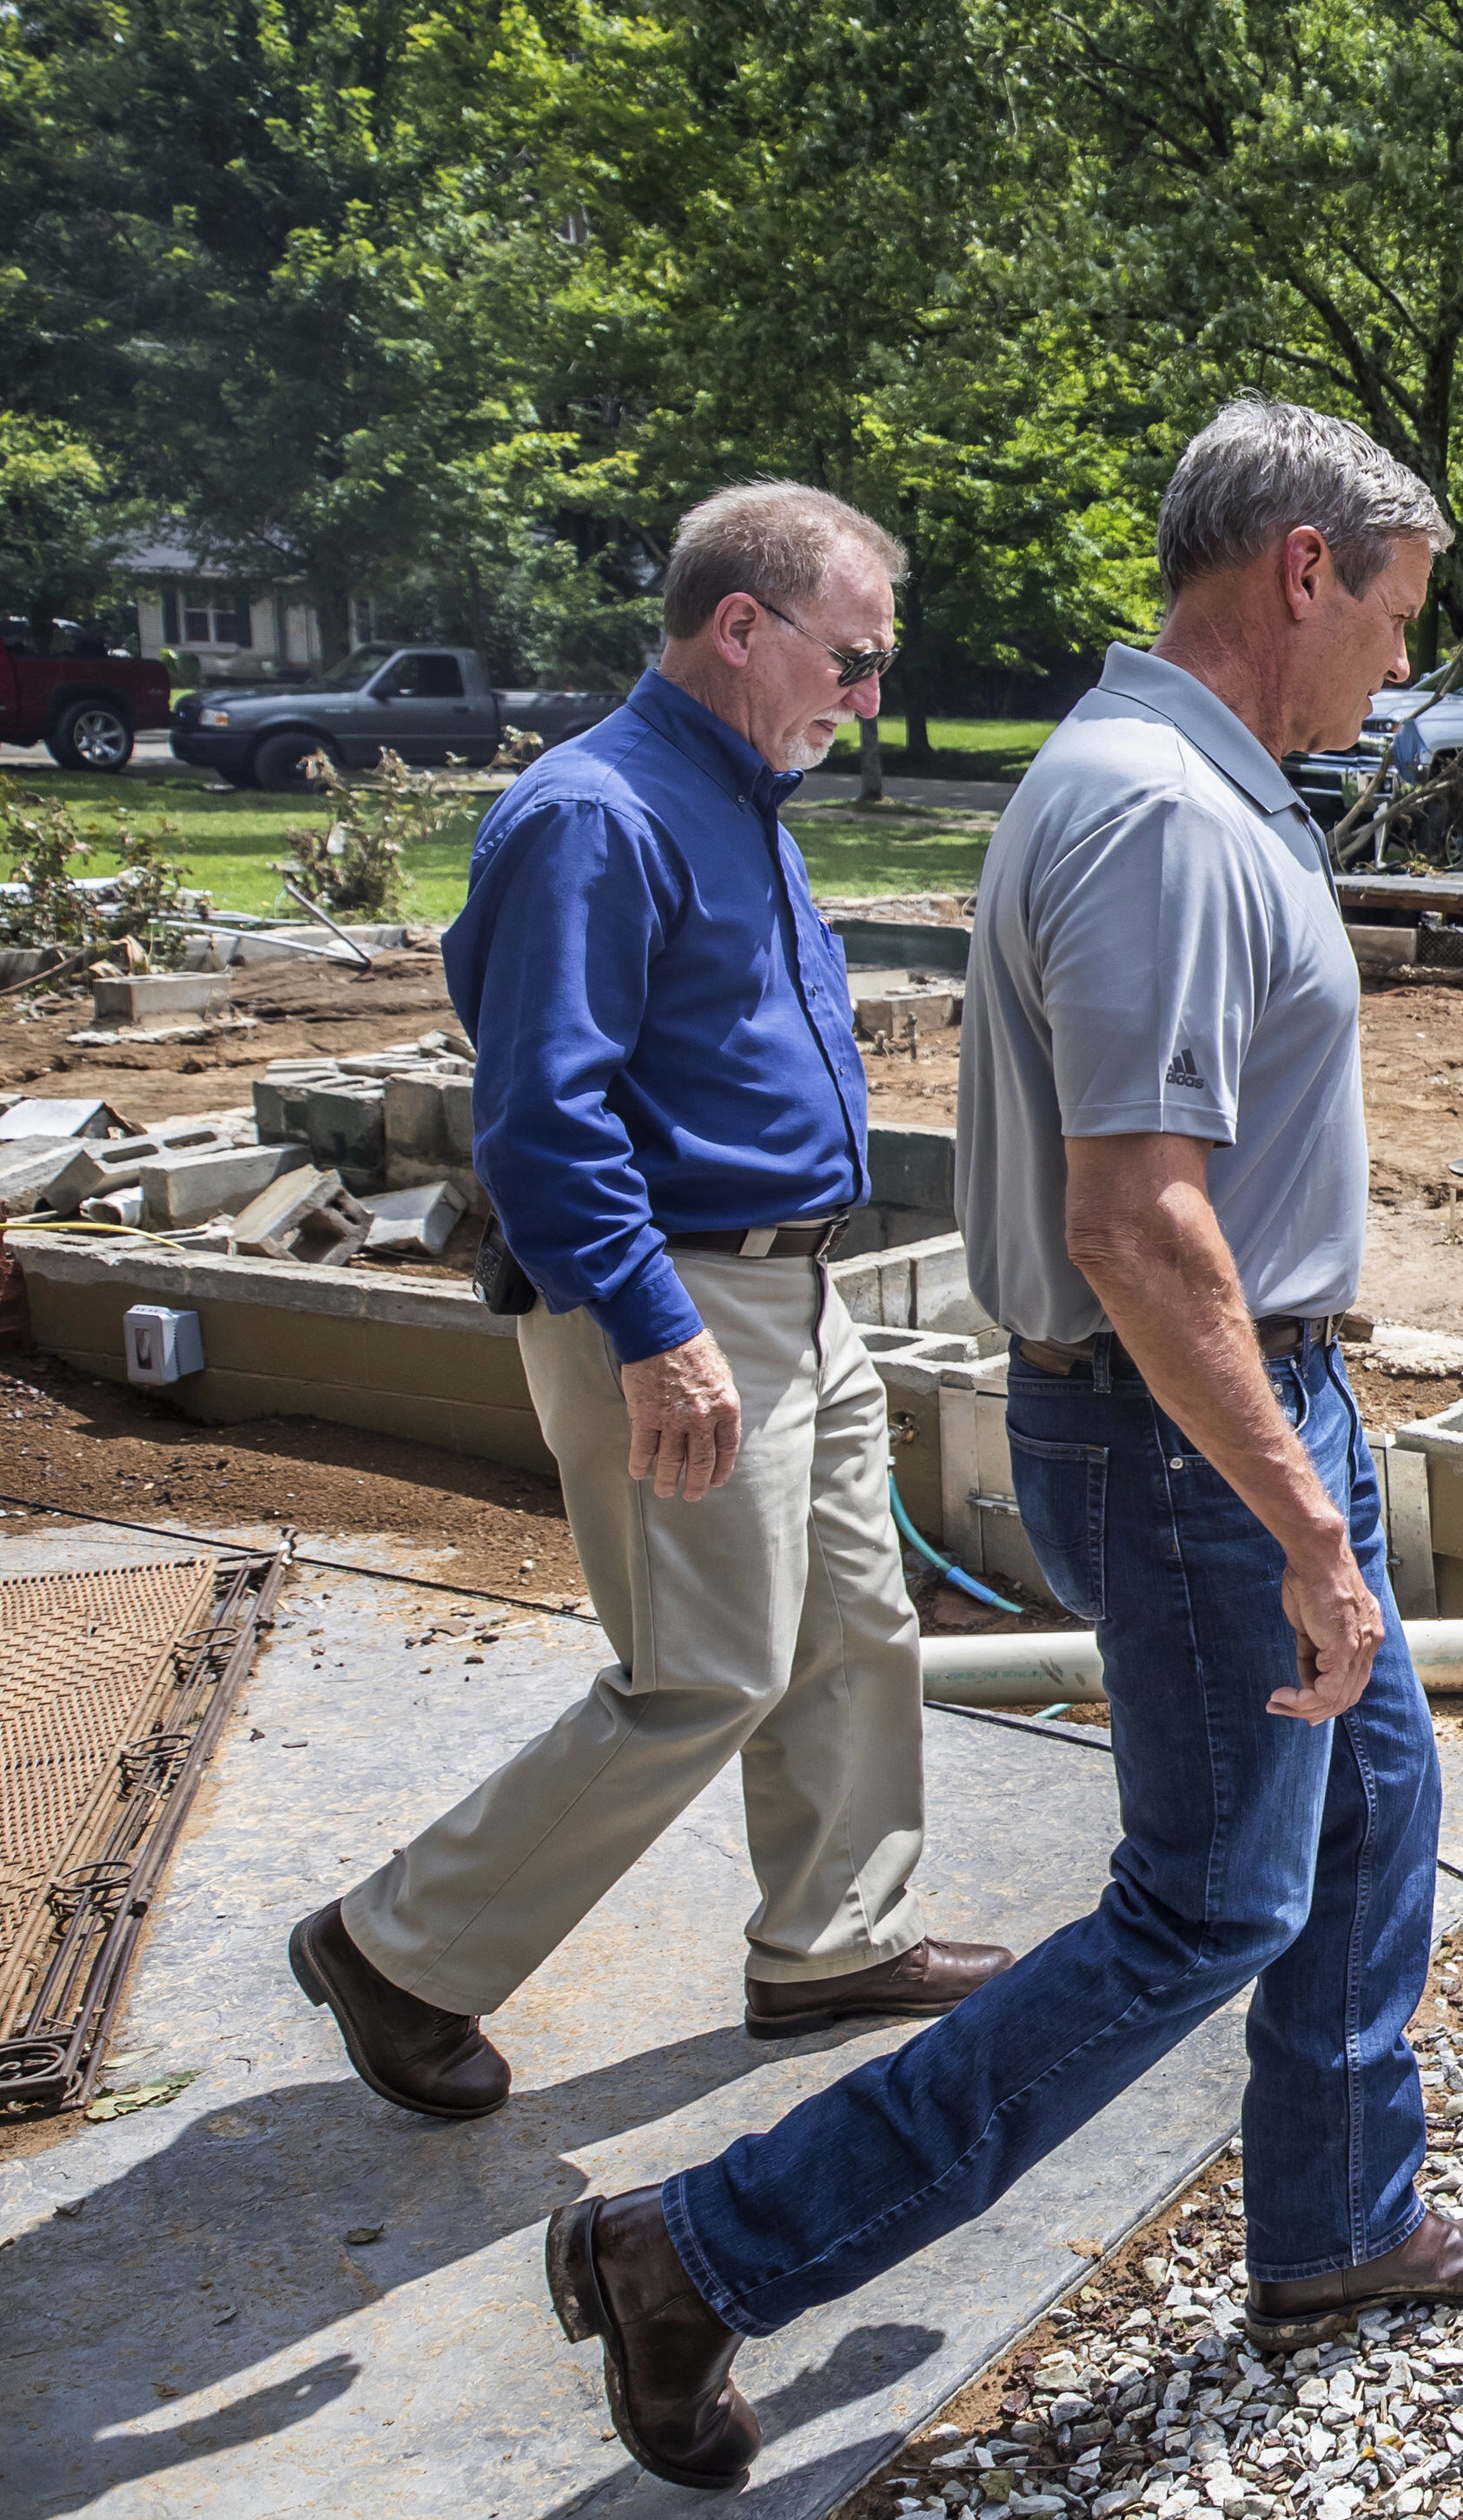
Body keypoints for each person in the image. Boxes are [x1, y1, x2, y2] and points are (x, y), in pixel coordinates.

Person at [536, 400, 1463, 2496]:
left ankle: (1341, 2223)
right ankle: (697, 2251)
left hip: (1251, 1402)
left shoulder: (1197, 783)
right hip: (1199, 1435)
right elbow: (1133, 1219)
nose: (1399, 659)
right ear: (1302, 568)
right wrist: (1303, 1517)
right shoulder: (1165, 820)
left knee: (1370, 1813)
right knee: (1204, 1909)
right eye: (1393, 612)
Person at [286, 484, 1011, 2124]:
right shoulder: (596, 816)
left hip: (783, 1283)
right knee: (705, 1667)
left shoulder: (735, 796)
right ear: (740, 625)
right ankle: (400, 1953)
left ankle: (836, 1935)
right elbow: (543, 1114)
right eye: (855, 656)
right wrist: (653, 1331)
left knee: (853, 1626)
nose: (869, 694)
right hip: (677, 1295)